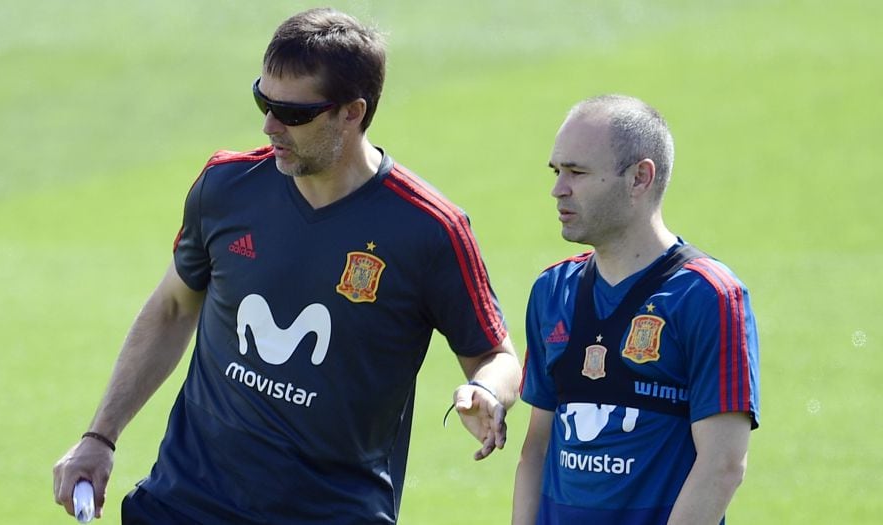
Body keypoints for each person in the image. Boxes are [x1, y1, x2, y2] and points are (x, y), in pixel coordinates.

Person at [52, 8, 522, 524]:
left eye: (292, 113)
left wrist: (485, 391)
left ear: (352, 112)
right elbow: (171, 308)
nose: (269, 125)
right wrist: (100, 437)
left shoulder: (429, 229)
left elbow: (495, 354)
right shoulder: (227, 187)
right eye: (263, 100)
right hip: (186, 502)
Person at [512, 95, 761, 524]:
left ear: (640, 178)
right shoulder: (553, 291)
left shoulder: (707, 296)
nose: (558, 189)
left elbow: (723, 465)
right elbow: (537, 447)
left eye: (578, 172)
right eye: (557, 171)